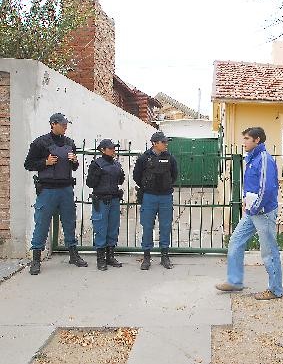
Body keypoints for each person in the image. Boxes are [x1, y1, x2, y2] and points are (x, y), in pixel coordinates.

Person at [215, 127, 283, 300]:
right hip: (252, 212)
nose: (243, 142)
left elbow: (267, 188)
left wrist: (254, 207)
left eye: (247, 138)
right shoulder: (252, 158)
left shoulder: (264, 159)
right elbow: (253, 185)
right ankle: (234, 281)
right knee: (236, 241)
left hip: (263, 212)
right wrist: (246, 200)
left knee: (269, 252)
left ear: (257, 140)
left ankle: (275, 290)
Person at [24, 113, 88, 275]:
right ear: (53, 124)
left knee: (69, 222)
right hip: (47, 190)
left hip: (66, 189)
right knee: (42, 223)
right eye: (62, 124)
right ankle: (36, 259)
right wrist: (45, 162)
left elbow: (74, 168)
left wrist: (74, 161)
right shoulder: (40, 143)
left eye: (67, 124)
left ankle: (73, 255)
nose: (66, 126)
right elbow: (28, 164)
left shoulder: (70, 143)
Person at [133, 131, 178, 270]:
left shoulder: (170, 158)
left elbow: (174, 175)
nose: (166, 144)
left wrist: (166, 186)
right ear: (154, 143)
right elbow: (136, 176)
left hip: (165, 196)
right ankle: (146, 257)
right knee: (147, 226)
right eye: (163, 142)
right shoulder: (143, 158)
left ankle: (165, 256)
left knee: (165, 226)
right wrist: (148, 187)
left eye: (166, 142)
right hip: (149, 196)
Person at [86, 139, 125, 271]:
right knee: (101, 229)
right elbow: (90, 183)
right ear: (102, 150)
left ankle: (110, 256)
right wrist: (98, 173)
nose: (113, 150)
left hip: (114, 199)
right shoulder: (96, 164)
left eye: (114, 148)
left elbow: (120, 181)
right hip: (102, 200)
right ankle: (100, 259)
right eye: (110, 148)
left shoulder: (117, 164)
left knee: (113, 228)